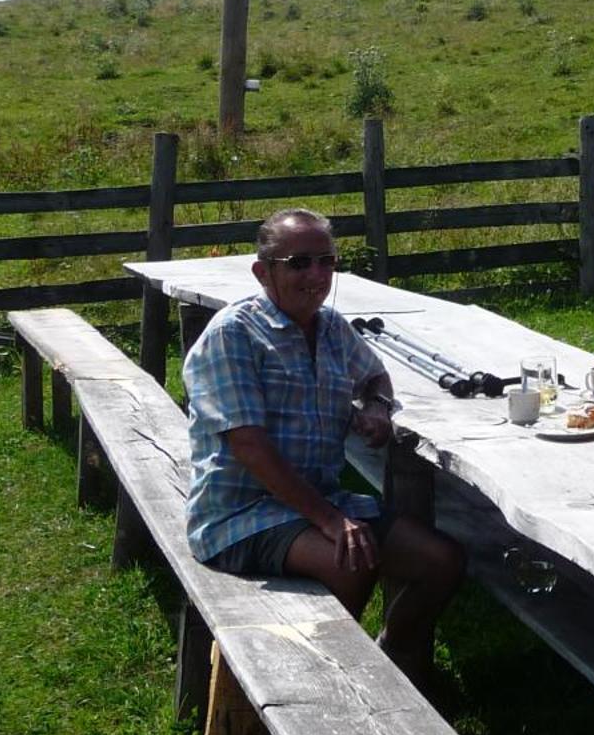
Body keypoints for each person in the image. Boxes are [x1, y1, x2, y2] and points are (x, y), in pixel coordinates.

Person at [183, 208, 463, 681]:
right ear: (262, 271)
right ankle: (322, 688)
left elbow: (375, 375)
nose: (315, 275)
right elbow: (248, 446)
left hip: (320, 499)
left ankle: (390, 662)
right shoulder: (233, 335)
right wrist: (331, 521)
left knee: (441, 562)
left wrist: (375, 406)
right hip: (239, 515)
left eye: (325, 262)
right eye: (298, 263)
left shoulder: (330, 326)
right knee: (350, 562)